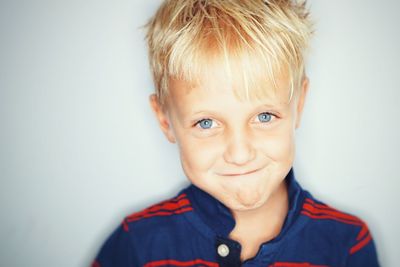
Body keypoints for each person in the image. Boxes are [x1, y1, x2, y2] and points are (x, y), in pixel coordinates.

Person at [92, 0, 380, 266]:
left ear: (299, 105)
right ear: (165, 120)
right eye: (206, 123)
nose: (240, 154)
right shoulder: (137, 245)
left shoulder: (346, 245)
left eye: (264, 116)